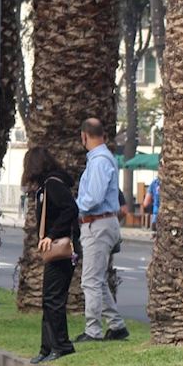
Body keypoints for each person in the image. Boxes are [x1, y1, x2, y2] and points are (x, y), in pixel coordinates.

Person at [75, 118, 128, 342]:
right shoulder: (105, 158)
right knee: (98, 279)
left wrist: (74, 205)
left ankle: (93, 330)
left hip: (97, 223)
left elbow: (93, 198)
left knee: (90, 281)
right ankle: (116, 325)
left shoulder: (98, 161)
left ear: (84, 136)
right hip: (104, 222)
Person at [25, 147, 78, 364]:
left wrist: (52, 235)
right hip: (56, 250)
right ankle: (47, 347)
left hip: (61, 249)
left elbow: (70, 209)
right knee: (49, 298)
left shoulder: (53, 184)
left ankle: (61, 345)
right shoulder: (48, 185)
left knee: (53, 299)